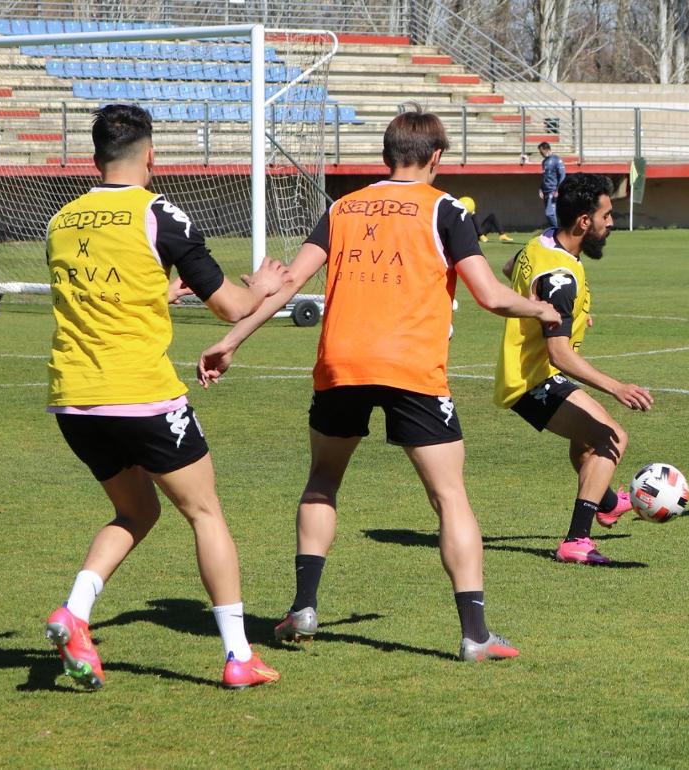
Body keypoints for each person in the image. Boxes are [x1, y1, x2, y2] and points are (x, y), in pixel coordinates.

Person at [196, 105, 562, 661]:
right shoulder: (446, 210)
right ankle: (474, 635)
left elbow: (290, 280)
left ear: (386, 157)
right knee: (449, 497)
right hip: (411, 367)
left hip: (341, 363)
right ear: (436, 157)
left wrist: (232, 339)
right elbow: (490, 295)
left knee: (323, 479)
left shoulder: (343, 207)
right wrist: (537, 309)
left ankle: (305, 607)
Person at [43, 104, 290, 690]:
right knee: (205, 513)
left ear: (94, 157)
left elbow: (104, 290)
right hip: (143, 396)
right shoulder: (160, 213)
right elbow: (231, 305)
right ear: (150, 154)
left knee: (136, 510)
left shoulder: (62, 218)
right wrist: (263, 286)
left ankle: (74, 613)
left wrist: (161, 288)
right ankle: (238, 657)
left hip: (74, 399)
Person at [495, 174, 652, 564]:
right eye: (607, 215)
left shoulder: (540, 241)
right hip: (533, 381)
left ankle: (609, 503)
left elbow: (508, 267)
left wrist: (572, 315)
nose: (611, 223)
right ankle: (576, 541)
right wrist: (615, 386)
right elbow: (560, 355)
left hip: (528, 373)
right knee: (612, 438)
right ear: (584, 222)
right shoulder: (561, 278)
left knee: (586, 441)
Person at [538, 141, 566, 229]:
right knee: (549, 215)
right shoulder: (544, 162)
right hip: (545, 191)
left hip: (552, 191)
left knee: (549, 213)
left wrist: (558, 190)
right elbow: (544, 177)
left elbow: (562, 175)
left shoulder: (556, 159)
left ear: (546, 149)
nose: (540, 153)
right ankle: (556, 233)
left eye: (541, 151)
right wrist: (540, 189)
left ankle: (558, 231)